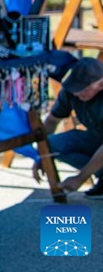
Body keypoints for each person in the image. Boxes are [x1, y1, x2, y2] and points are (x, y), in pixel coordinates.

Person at [33, 57, 103, 198]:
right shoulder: (70, 92)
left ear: (100, 84)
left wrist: (80, 178)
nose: (76, 93)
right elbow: (52, 121)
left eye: (83, 88)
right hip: (96, 138)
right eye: (75, 87)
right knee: (51, 144)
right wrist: (41, 156)